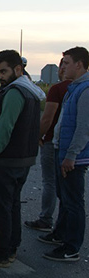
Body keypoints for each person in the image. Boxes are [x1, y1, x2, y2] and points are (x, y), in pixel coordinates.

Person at [0, 49, 45, 267]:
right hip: (23, 159)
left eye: (4, 71)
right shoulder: (32, 91)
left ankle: (1, 253)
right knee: (12, 205)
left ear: (18, 69)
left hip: (6, 162)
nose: (0, 76)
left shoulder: (15, 93)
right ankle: (11, 247)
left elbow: (4, 130)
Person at [40, 47, 89, 262]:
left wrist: (71, 155)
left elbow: (84, 127)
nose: (62, 67)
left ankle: (71, 248)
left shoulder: (85, 89)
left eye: (66, 63)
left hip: (74, 157)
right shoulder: (73, 88)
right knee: (64, 196)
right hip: (64, 151)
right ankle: (60, 234)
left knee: (74, 202)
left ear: (79, 65)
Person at [25, 59, 71, 232]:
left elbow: (47, 118)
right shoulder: (81, 89)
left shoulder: (58, 89)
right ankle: (63, 226)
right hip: (72, 145)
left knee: (49, 182)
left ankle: (45, 219)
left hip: (52, 140)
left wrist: (37, 136)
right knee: (68, 187)